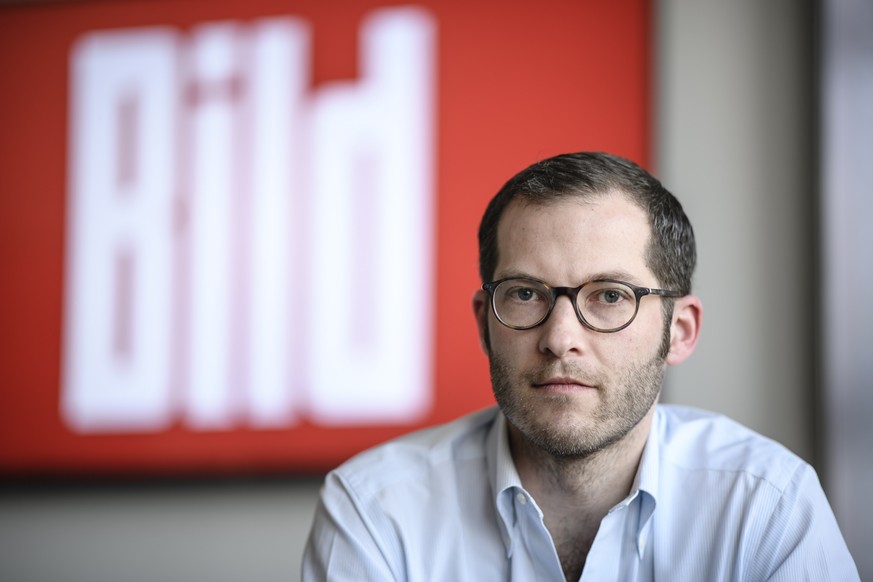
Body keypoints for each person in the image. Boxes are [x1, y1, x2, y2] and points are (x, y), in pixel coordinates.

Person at [302, 152, 859, 581]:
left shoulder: (766, 505)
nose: (560, 338)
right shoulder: (377, 511)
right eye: (525, 294)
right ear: (483, 324)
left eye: (610, 296)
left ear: (679, 331)